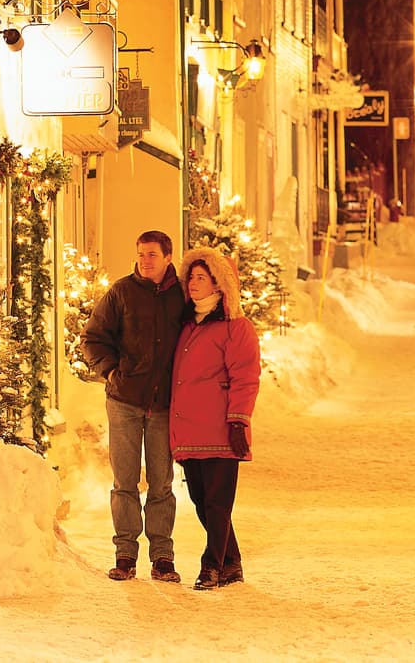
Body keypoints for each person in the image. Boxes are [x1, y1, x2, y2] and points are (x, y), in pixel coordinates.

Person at [81, 230, 188, 583]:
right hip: (125, 400)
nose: (145, 260)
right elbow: (93, 337)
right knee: (123, 481)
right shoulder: (121, 292)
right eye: (141, 254)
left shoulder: (180, 296)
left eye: (152, 255)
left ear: (168, 257)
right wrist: (111, 372)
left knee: (161, 482)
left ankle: (162, 556)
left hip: (162, 404)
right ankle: (125, 553)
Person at [170, 246, 261, 590]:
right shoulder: (187, 325)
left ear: (218, 285)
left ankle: (211, 566)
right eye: (190, 277)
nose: (193, 283)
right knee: (200, 501)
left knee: (218, 502)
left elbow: (245, 377)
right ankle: (232, 562)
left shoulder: (236, 328)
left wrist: (238, 420)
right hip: (189, 428)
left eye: (201, 278)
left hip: (220, 429)